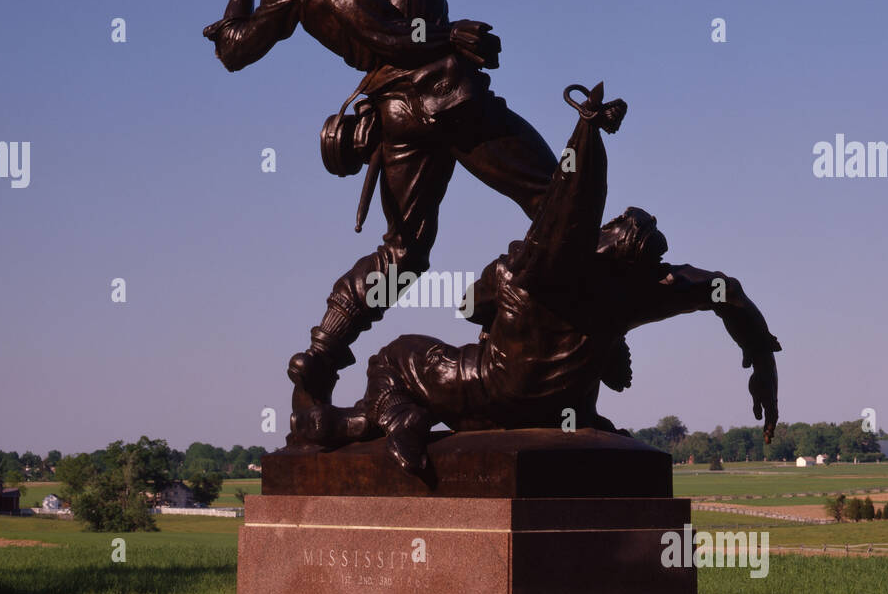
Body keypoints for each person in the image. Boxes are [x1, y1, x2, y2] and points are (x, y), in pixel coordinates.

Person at [203, 0, 561, 411]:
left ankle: (323, 352)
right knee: (556, 200)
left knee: (403, 254)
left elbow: (233, 49)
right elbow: (405, 25)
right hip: (449, 94)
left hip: (395, 113)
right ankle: (526, 309)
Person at [292, 82, 781, 475]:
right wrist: (762, 363)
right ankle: (356, 418)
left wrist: (586, 131)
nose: (601, 224)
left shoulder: (535, 267)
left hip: (482, 391)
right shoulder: (635, 293)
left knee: (394, 360)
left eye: (607, 227)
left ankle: (386, 414)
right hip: (551, 409)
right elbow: (725, 291)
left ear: (604, 241)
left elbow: (569, 202)